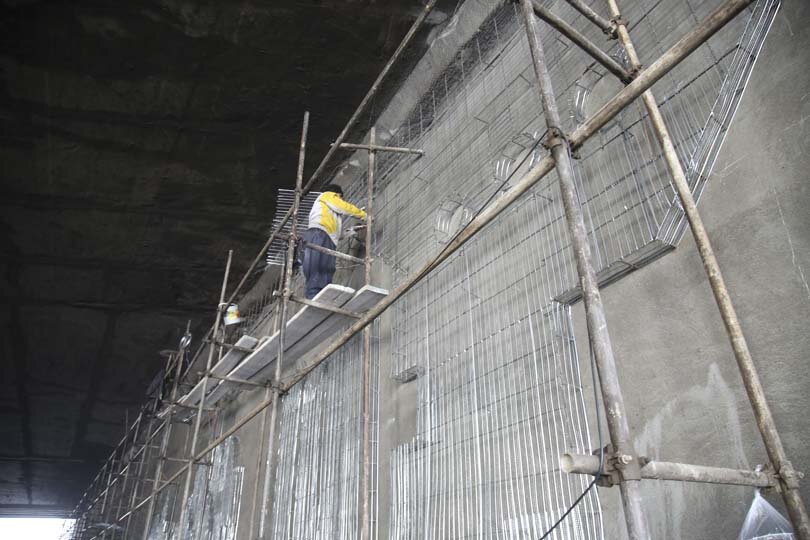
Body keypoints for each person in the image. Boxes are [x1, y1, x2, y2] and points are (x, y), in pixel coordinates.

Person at [301, 184, 366, 299]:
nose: (340, 200)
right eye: (341, 198)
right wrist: (363, 215)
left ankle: (320, 297)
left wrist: (352, 231)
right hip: (318, 234)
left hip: (326, 238)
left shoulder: (330, 214)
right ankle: (314, 297)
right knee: (317, 267)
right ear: (338, 194)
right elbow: (342, 207)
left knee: (326, 269)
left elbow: (337, 235)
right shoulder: (326, 195)